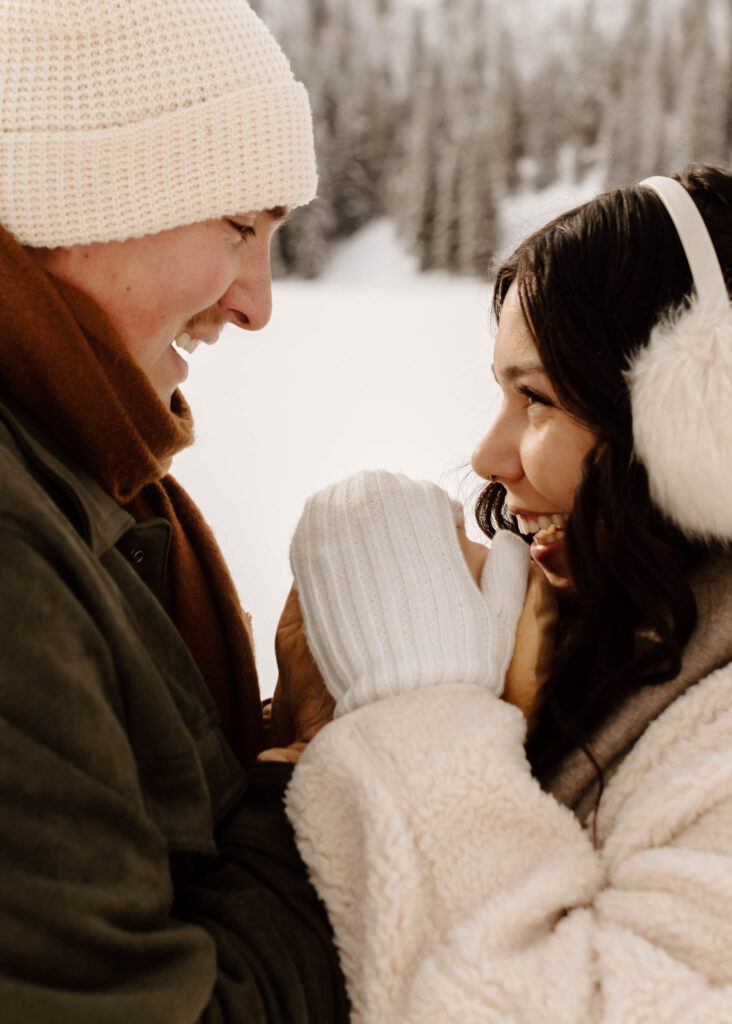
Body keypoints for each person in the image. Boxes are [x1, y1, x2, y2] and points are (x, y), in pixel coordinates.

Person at [278, 164, 732, 1022]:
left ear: (698, 422)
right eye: (501, 391)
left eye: (538, 398)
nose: (487, 455)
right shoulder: (594, 642)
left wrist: (417, 709)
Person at [0, 1, 349, 1020]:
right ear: (78, 198)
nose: (257, 302)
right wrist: (314, 783)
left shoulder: (84, 473)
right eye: (240, 227)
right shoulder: (16, 545)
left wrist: (285, 722)